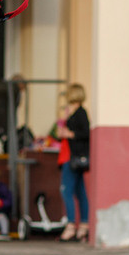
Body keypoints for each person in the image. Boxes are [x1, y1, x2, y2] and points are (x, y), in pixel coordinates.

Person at [56, 83, 90, 242]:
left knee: (66, 191)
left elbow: (85, 133)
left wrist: (69, 133)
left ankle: (71, 225)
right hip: (69, 156)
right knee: (80, 192)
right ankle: (83, 225)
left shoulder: (81, 113)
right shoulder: (74, 113)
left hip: (72, 158)